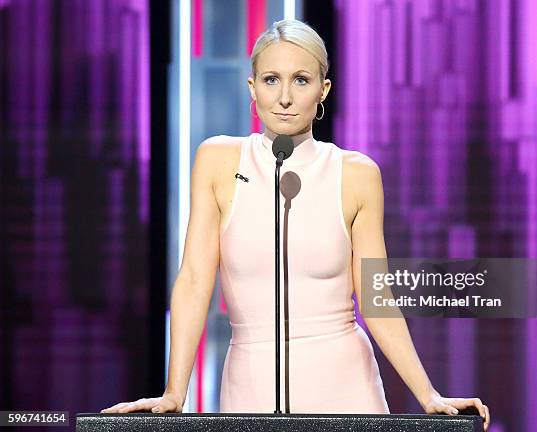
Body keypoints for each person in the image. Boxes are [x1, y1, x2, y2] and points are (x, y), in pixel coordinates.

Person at [101, 19, 490, 430]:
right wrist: (174, 392)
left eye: (301, 80)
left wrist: (428, 395)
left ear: (323, 90)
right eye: (271, 80)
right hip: (250, 387)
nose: (284, 97)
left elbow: (377, 299)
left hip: (346, 388)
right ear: (252, 88)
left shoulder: (356, 174)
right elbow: (196, 278)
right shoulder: (217, 161)